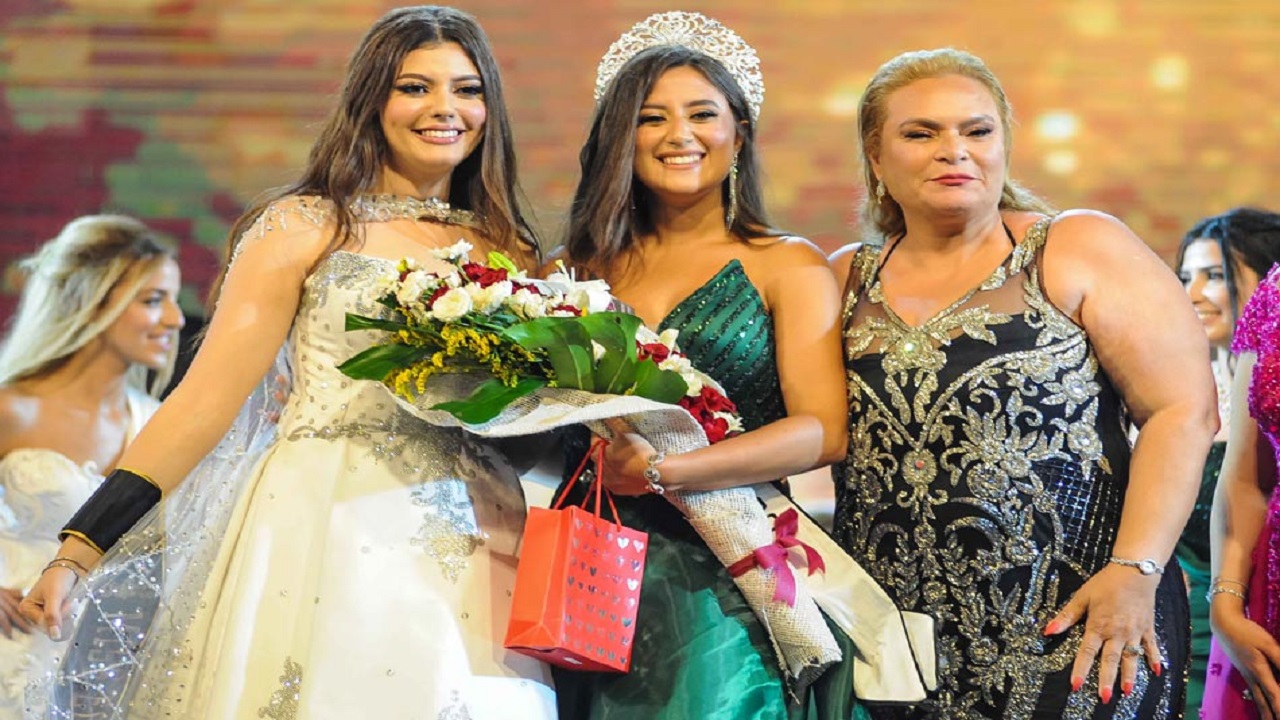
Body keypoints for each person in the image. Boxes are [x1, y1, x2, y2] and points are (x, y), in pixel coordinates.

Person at [19, 7, 555, 719]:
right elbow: (203, 402)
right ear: (372, 100)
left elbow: (525, 425)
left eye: (467, 89)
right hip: (330, 520)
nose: (445, 109)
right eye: (414, 88)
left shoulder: (510, 250)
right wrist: (79, 550)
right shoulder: (305, 226)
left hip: (482, 531)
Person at [829, 48, 1217, 718]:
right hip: (891, 639)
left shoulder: (1076, 247)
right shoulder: (842, 278)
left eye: (977, 131)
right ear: (875, 157)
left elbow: (1182, 410)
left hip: (1083, 618)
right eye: (921, 133)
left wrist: (1136, 570)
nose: (954, 150)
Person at [551, 11, 863, 719]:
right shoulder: (570, 271)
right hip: (586, 564)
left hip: (726, 567)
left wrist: (668, 470)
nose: (679, 136)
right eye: (651, 118)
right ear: (619, 136)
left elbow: (823, 430)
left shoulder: (785, 263)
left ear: (739, 133)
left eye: (701, 114)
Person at [0, 215, 180, 716]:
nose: (174, 318)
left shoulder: (162, 427)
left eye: (172, 299)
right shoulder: (13, 410)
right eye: (153, 300)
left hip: (115, 666)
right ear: (92, 301)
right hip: (15, 645)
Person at [1174, 208, 1280, 716]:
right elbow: (1243, 483)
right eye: (1185, 278)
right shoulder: (1158, 398)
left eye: (1213, 276)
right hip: (1199, 616)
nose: (1192, 294)